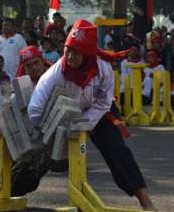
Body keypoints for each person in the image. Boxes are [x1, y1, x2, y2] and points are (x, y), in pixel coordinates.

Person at [17, 19, 156, 211]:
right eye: (68, 50)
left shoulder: (103, 68)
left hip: (99, 112)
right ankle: (10, 191)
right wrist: (36, 136)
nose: (70, 56)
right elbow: (35, 108)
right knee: (39, 157)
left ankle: (145, 202)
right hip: (63, 113)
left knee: (117, 151)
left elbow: (104, 102)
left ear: (88, 53)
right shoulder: (56, 72)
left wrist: (86, 122)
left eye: (76, 52)